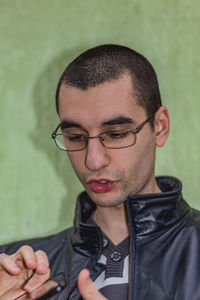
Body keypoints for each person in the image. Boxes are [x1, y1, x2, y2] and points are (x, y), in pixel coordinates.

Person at [0, 44, 200, 300]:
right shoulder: (16, 274)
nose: (93, 161)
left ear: (159, 127)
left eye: (116, 135)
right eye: (75, 137)